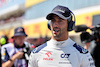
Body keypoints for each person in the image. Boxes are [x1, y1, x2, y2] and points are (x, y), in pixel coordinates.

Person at [28, 5, 95, 67]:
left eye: (60, 20)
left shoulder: (82, 54)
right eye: (53, 20)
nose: (55, 25)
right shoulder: (36, 53)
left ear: (69, 25)